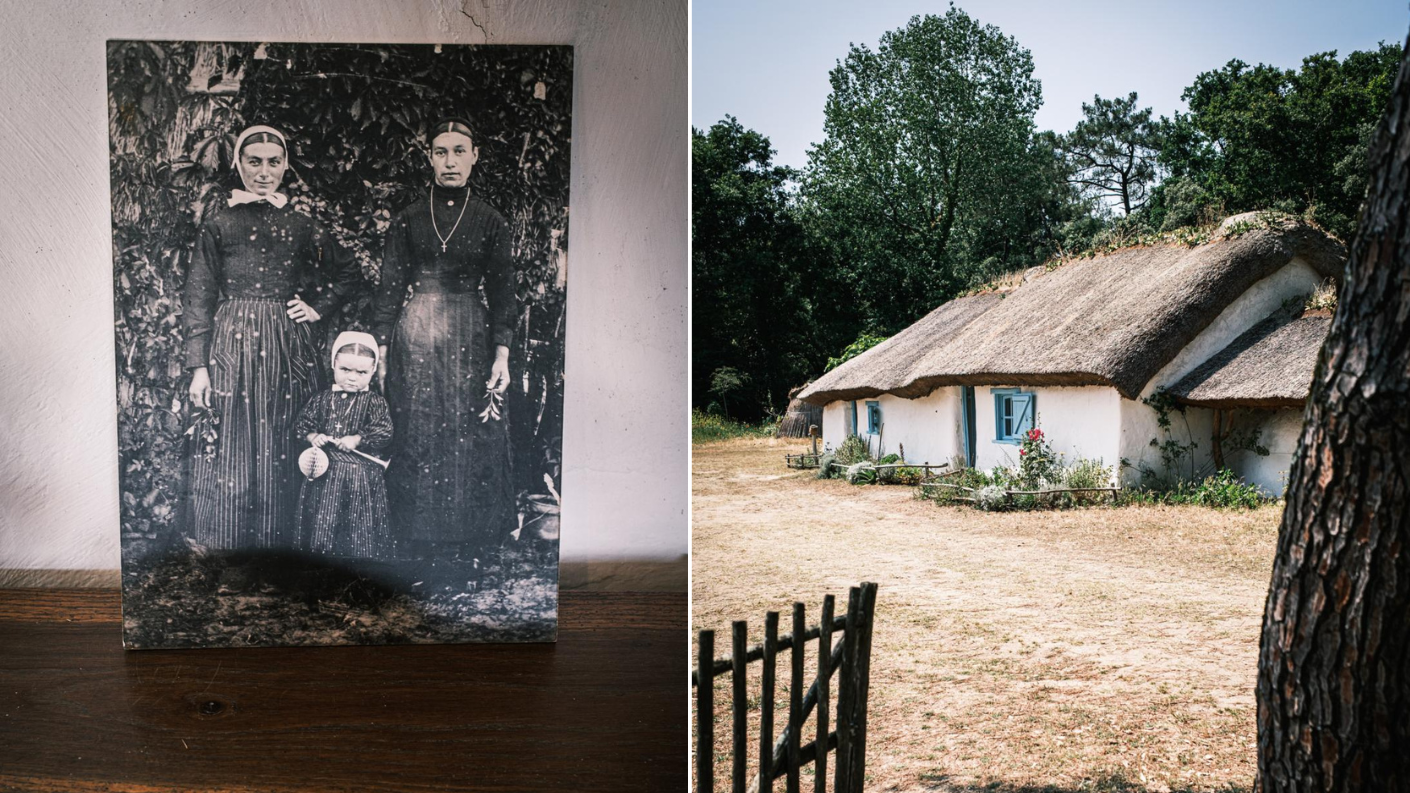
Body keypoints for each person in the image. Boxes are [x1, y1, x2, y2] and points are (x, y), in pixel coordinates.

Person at [183, 124, 360, 550]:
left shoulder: (300, 225)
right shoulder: (219, 224)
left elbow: (348, 271)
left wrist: (317, 307)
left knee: (285, 438)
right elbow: (198, 294)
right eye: (254, 162)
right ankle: (227, 544)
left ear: (285, 166)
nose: (264, 172)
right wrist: (198, 366)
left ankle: (283, 546)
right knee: (233, 442)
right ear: (238, 164)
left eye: (274, 163)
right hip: (231, 343)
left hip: (286, 344)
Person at [371, 117, 517, 566]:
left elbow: (503, 292)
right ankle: (416, 540)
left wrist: (502, 353)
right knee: (418, 427)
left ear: (475, 156)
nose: (450, 161)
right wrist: (380, 348)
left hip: (471, 331)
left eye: (459, 151)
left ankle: (471, 540)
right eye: (441, 152)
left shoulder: (491, 220)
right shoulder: (410, 218)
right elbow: (390, 287)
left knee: (470, 429)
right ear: (429, 158)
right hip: (417, 333)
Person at [294, 332, 394, 559]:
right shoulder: (321, 399)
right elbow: (302, 425)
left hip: (361, 476)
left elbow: (384, 432)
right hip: (325, 474)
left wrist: (357, 439)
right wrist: (313, 436)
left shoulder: (375, 402)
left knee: (359, 523)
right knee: (324, 520)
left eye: (362, 373)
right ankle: (322, 562)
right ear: (333, 365)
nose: (352, 378)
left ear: (372, 371)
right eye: (345, 370)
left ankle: (361, 565)